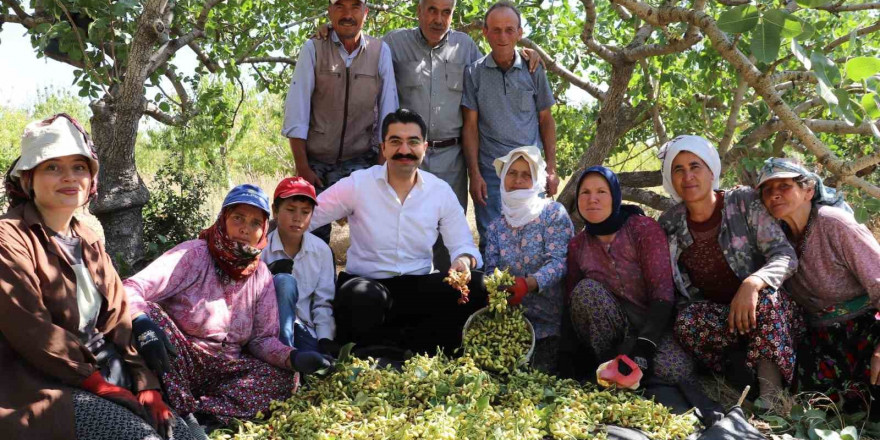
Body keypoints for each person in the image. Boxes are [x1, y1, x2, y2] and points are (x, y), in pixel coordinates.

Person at [0, 114, 193, 440]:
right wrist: (96, 384)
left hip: (105, 371)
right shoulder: (9, 238)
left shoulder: (88, 237)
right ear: (27, 179)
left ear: (91, 179)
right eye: (52, 167)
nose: (69, 177)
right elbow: (32, 333)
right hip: (44, 384)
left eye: (79, 167)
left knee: (183, 436)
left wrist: (147, 384)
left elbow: (118, 319)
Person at [313, 0, 544, 272]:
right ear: (419, 12)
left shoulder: (466, 48)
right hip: (405, 156)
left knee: (450, 242)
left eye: (446, 12)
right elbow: (362, 48)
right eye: (432, 10)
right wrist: (330, 30)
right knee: (398, 229)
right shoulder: (393, 44)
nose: (438, 19)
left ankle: (451, 303)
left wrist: (523, 53)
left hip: (452, 158)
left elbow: (497, 59)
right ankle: (389, 289)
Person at [123, 184, 332, 425]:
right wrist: (142, 323)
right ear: (223, 219)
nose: (245, 228)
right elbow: (132, 287)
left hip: (225, 367)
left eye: (255, 223)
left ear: (263, 230)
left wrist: (293, 358)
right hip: (180, 355)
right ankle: (182, 408)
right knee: (153, 316)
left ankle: (202, 412)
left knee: (284, 380)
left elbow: (261, 340)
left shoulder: (260, 274)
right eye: (238, 218)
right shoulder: (194, 254)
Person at [308, 108, 486, 354]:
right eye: (395, 142)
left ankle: (405, 350)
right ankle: (389, 351)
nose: (404, 150)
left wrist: (463, 262)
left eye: (413, 142)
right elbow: (308, 217)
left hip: (419, 284)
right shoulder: (358, 184)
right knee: (359, 297)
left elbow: (464, 245)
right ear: (383, 148)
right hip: (367, 285)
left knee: (479, 285)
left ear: (424, 147)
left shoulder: (440, 191)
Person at [657, 135, 801, 400]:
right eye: (679, 169)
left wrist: (752, 283)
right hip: (722, 320)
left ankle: (770, 398)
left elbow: (784, 254)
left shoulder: (743, 202)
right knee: (686, 322)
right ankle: (739, 375)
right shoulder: (670, 223)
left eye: (695, 166)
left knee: (768, 300)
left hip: (767, 310)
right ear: (671, 178)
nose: (687, 176)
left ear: (712, 171)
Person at [757, 157, 880, 407]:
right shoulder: (776, 240)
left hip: (867, 330)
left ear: (809, 191)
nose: (774, 195)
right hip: (821, 340)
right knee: (819, 404)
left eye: (784, 186)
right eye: (767, 190)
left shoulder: (834, 223)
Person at [563, 166, 694, 387]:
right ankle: (606, 364)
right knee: (586, 292)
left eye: (601, 192)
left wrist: (644, 345)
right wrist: (566, 355)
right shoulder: (578, 245)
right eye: (585, 192)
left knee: (676, 370)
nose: (592, 199)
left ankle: (625, 363)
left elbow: (663, 293)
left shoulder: (642, 229)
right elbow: (570, 301)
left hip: (652, 326)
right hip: (611, 330)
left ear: (614, 196)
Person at [282, 0, 399, 244]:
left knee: (370, 239)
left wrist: (379, 169)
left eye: (355, 6)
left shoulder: (380, 51)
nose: (347, 14)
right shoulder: (313, 48)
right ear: (329, 12)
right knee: (309, 240)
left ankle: (360, 282)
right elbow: (297, 112)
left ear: (366, 13)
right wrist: (303, 168)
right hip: (316, 165)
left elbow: (389, 112)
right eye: (340, 6)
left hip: (362, 162)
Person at [462, 0, 559, 252]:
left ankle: (529, 292)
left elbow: (546, 120)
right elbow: (470, 127)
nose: (502, 36)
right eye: (495, 29)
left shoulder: (533, 67)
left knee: (532, 240)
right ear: (485, 33)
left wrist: (551, 168)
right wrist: (475, 174)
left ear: (519, 33)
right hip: (491, 175)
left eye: (509, 29)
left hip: (530, 172)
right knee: (493, 242)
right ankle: (495, 292)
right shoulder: (474, 72)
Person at [483, 145, 573, 374]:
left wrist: (528, 284)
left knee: (540, 379)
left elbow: (559, 262)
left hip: (550, 325)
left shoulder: (553, 214)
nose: (518, 180)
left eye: (526, 175)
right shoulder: (495, 228)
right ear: (503, 178)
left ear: (537, 181)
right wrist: (498, 289)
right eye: (512, 173)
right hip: (509, 324)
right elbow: (491, 271)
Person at [262, 177, 339, 356]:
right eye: (290, 210)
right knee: (283, 282)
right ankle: (285, 354)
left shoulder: (321, 251)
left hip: (305, 329)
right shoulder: (261, 250)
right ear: (275, 210)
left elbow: (323, 302)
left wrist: (325, 338)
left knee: (317, 366)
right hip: (267, 329)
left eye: (305, 212)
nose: (297, 218)